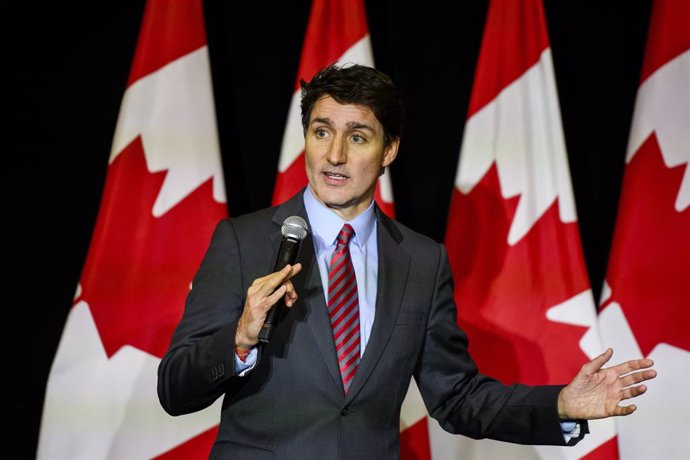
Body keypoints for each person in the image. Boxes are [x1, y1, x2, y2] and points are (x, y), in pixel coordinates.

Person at [157, 63, 656, 459]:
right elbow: (175, 390)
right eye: (320, 131)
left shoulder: (422, 261)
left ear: (388, 149)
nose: (333, 155)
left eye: (357, 137)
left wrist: (561, 405)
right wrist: (240, 339)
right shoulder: (242, 241)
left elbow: (457, 397)